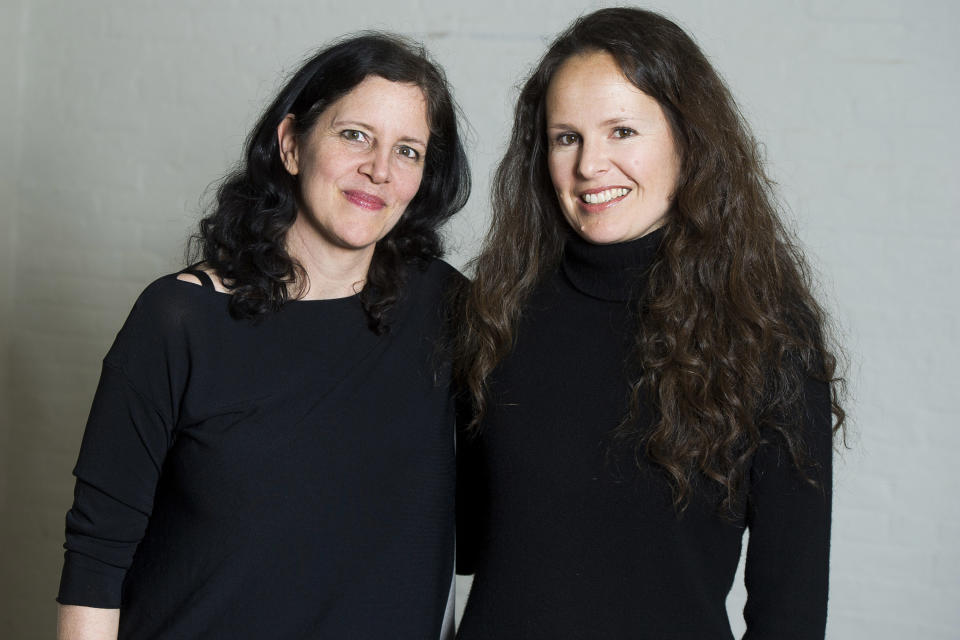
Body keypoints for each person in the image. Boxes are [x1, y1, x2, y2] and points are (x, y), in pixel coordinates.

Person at [56, 32, 470, 639]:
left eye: (408, 151)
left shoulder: (445, 309)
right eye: (355, 135)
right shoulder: (178, 320)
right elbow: (96, 560)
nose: (379, 170)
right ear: (291, 144)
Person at [454, 8, 845, 639]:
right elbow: (456, 538)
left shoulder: (767, 334)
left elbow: (791, 609)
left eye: (622, 132)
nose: (589, 165)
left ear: (687, 140)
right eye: (566, 137)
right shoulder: (496, 312)